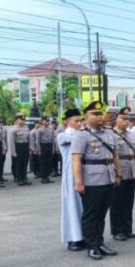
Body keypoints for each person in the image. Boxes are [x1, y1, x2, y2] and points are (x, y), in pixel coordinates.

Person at [71, 101, 122, 260]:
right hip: (91, 180)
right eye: (95, 114)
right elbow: (76, 160)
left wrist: (118, 174)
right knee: (91, 215)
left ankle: (100, 242)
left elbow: (115, 156)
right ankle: (91, 246)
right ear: (86, 118)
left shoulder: (108, 134)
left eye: (100, 114)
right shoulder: (81, 135)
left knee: (101, 214)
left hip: (108, 177)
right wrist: (78, 182)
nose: (99, 116)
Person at [110, 107, 135, 241]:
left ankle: (128, 229)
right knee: (117, 203)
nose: (126, 121)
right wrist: (116, 174)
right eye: (123, 119)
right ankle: (117, 231)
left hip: (131, 170)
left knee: (129, 202)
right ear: (115, 120)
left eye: (128, 119)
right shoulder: (111, 135)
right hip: (120, 171)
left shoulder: (130, 134)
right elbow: (112, 156)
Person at [58, 108, 84, 252]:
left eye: (81, 120)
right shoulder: (63, 136)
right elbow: (76, 138)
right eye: (76, 121)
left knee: (85, 207)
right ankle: (73, 238)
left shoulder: (82, 134)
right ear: (66, 122)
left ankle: (84, 235)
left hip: (83, 174)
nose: (79, 123)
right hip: (70, 176)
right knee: (72, 207)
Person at [10, 114, 32, 186]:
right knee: (19, 164)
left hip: (25, 146)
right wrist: (13, 152)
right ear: (17, 120)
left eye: (23, 120)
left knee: (25, 163)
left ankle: (24, 178)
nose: (23, 121)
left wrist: (30, 149)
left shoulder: (26, 128)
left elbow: (29, 140)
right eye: (21, 120)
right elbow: (12, 141)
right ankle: (19, 179)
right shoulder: (14, 129)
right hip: (18, 146)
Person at [37, 117, 55, 183]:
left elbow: (53, 140)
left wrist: (53, 149)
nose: (47, 122)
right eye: (45, 121)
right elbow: (37, 141)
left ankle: (47, 176)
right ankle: (43, 177)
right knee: (43, 162)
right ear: (42, 122)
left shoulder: (51, 129)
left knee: (49, 162)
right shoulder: (40, 130)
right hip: (43, 146)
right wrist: (39, 150)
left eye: (48, 121)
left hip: (49, 146)